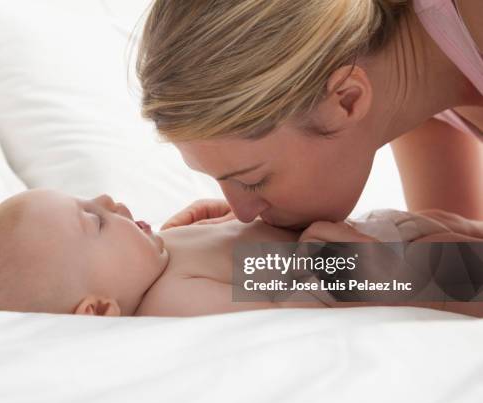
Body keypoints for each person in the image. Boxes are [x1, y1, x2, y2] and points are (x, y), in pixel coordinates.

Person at [136, 0, 483, 241]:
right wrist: (254, 263)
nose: (242, 213)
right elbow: (464, 271)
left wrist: (392, 275)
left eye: (253, 181)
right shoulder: (411, 88)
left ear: (346, 100)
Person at [0, 190, 483, 317]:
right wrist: (336, 266)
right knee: (463, 266)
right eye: (94, 219)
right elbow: (282, 302)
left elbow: (243, 255)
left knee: (462, 226)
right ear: (98, 310)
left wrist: (229, 219)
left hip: (376, 228)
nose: (112, 200)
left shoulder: (155, 258)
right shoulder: (173, 298)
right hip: (383, 263)